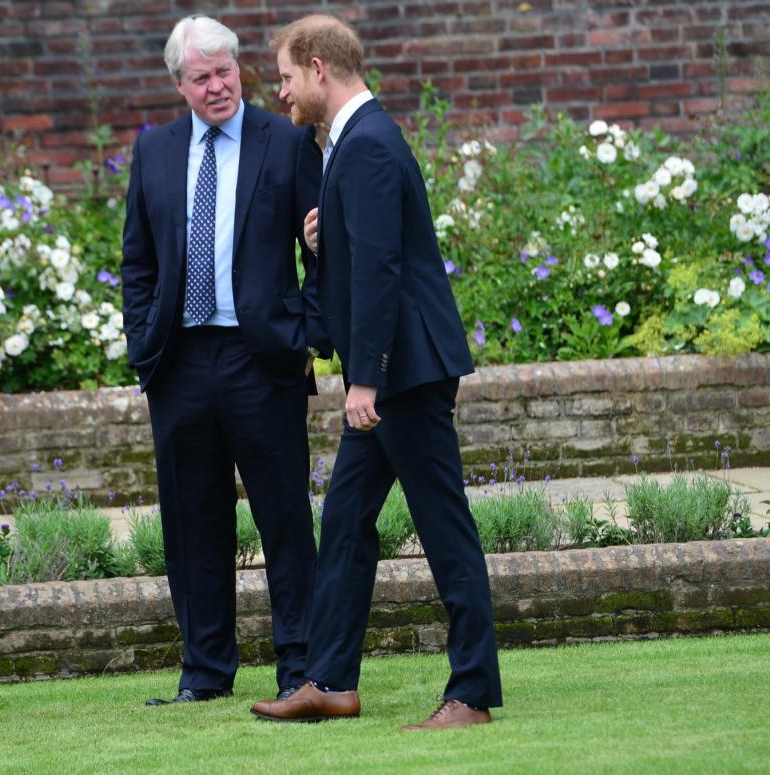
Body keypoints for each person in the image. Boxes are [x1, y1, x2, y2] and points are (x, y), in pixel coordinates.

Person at [251, 15, 503, 729]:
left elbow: (381, 272)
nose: (282, 90)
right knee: (347, 523)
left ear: (320, 67)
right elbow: (360, 253)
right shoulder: (354, 145)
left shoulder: (364, 145)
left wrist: (365, 376)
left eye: (287, 76)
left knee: (442, 526)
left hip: (403, 376)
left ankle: (471, 694)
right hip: (393, 371)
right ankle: (328, 680)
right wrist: (319, 238)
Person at [120, 15, 324, 706]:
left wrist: (306, 335)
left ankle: (300, 668)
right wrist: (144, 347)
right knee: (192, 524)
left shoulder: (287, 140)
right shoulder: (153, 153)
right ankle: (204, 672)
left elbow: (323, 251)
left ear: (241, 68)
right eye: (201, 77)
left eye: (225, 71)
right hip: (178, 364)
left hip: (261, 360)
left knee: (284, 522)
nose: (217, 87)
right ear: (178, 84)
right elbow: (137, 261)